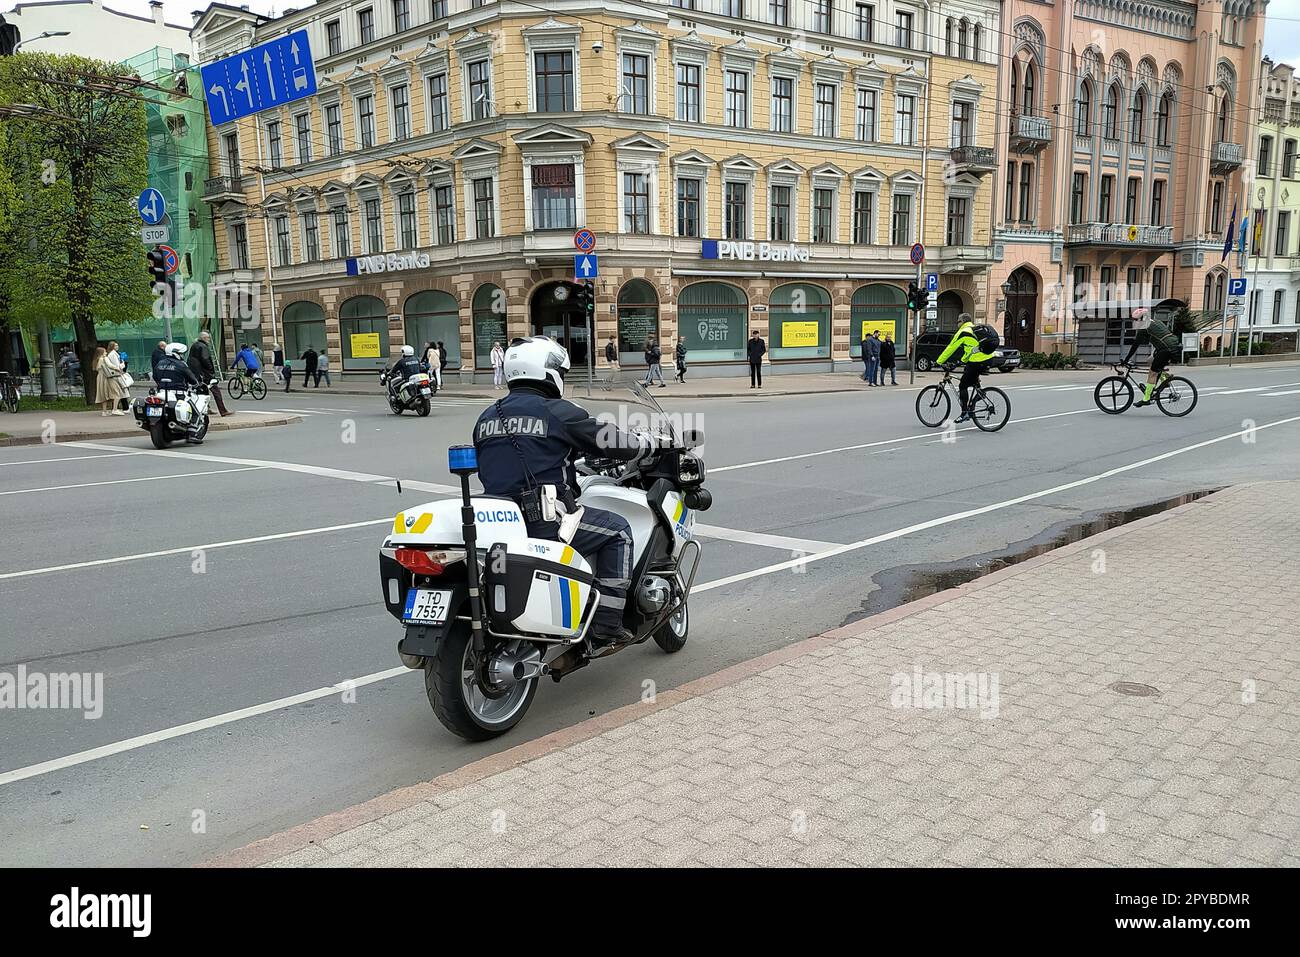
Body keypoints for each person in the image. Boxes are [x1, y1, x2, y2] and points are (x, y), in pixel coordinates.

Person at [473, 336, 654, 645]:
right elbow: (616, 443)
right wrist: (646, 442)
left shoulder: (488, 417)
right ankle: (606, 625)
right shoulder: (557, 411)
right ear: (549, 371)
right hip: (545, 520)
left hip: (500, 520)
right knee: (618, 531)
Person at [936, 313, 998, 424]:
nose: (957, 323)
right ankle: (980, 393)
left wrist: (939, 361)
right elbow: (971, 350)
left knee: (963, 385)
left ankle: (964, 413)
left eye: (958, 321)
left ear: (963, 321)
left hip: (977, 361)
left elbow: (950, 348)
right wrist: (961, 362)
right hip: (988, 359)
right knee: (970, 374)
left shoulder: (963, 332)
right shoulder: (975, 330)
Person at [1121, 307, 1182, 408]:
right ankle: (1165, 380)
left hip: (1166, 349)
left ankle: (1146, 399)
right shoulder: (1157, 321)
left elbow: (1135, 345)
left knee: (1152, 373)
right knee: (1150, 360)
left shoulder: (1144, 327)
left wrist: (1126, 360)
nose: (1135, 322)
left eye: (1136, 320)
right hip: (1172, 345)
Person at [155, 343, 206, 443]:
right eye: (181, 354)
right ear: (176, 353)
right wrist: (196, 383)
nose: (182, 356)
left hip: (161, 393)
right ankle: (191, 434)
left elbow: (155, 377)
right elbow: (192, 379)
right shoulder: (181, 365)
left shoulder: (159, 363)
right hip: (179, 394)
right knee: (196, 412)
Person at [188, 331, 231, 416]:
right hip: (205, 373)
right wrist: (211, 370)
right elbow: (205, 359)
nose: (209, 340)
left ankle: (206, 408)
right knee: (216, 391)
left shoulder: (194, 345)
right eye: (208, 338)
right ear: (204, 338)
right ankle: (223, 410)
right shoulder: (203, 346)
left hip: (197, 373)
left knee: (203, 391)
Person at [97, 344, 130, 415]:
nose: (106, 353)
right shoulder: (105, 358)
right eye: (104, 352)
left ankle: (104, 411)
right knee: (117, 392)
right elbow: (110, 365)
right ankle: (115, 409)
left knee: (104, 394)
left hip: (101, 378)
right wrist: (118, 367)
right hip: (108, 377)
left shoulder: (97, 360)